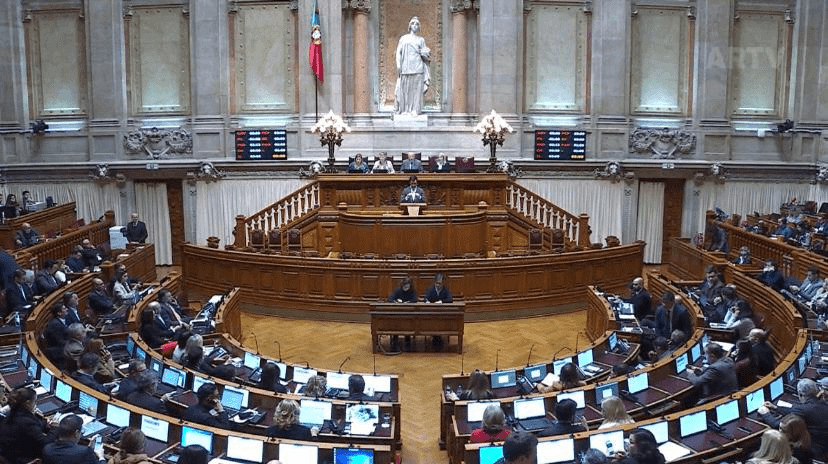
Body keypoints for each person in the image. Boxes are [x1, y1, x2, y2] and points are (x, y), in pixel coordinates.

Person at [759, 379, 828, 458]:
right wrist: (775, 408)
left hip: (815, 450)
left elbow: (780, 426)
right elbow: (793, 411)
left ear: (800, 394)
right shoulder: (822, 403)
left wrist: (765, 414)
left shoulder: (803, 410)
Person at [0, 386, 56, 464]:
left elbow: (32, 428)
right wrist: (55, 429)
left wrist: (45, 425)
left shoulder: (12, 413)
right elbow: (44, 442)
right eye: (35, 401)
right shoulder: (26, 422)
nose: (36, 404)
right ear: (27, 403)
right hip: (22, 459)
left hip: (8, 454)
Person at [394, 16, 430, 115]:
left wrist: (425, 53)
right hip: (406, 67)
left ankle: (415, 109)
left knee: (417, 90)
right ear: (409, 26)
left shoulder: (421, 40)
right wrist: (398, 65)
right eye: (413, 23)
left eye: (417, 24)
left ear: (419, 27)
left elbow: (425, 53)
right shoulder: (404, 38)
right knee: (405, 89)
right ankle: (405, 110)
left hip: (418, 67)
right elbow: (398, 52)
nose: (415, 25)